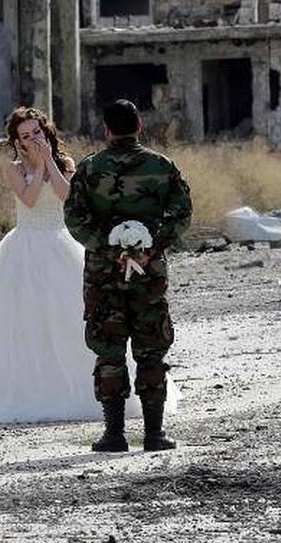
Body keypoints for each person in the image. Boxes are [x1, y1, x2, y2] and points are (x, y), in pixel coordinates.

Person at [0, 106, 173, 424]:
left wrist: (48, 162)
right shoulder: (13, 168)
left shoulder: (66, 163)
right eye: (25, 135)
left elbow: (68, 197)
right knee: (21, 321)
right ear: (16, 141)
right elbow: (30, 199)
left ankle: (100, 393)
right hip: (24, 246)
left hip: (60, 242)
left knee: (72, 315)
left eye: (37, 132)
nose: (32, 139)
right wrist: (34, 165)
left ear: (46, 132)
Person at [64, 99, 193, 452]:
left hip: (103, 277)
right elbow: (182, 214)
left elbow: (75, 219)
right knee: (151, 349)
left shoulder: (90, 169)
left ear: (106, 130)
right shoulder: (161, 166)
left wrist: (108, 248)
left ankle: (114, 434)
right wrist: (151, 246)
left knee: (109, 350)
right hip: (149, 276)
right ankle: (154, 434)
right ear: (139, 127)